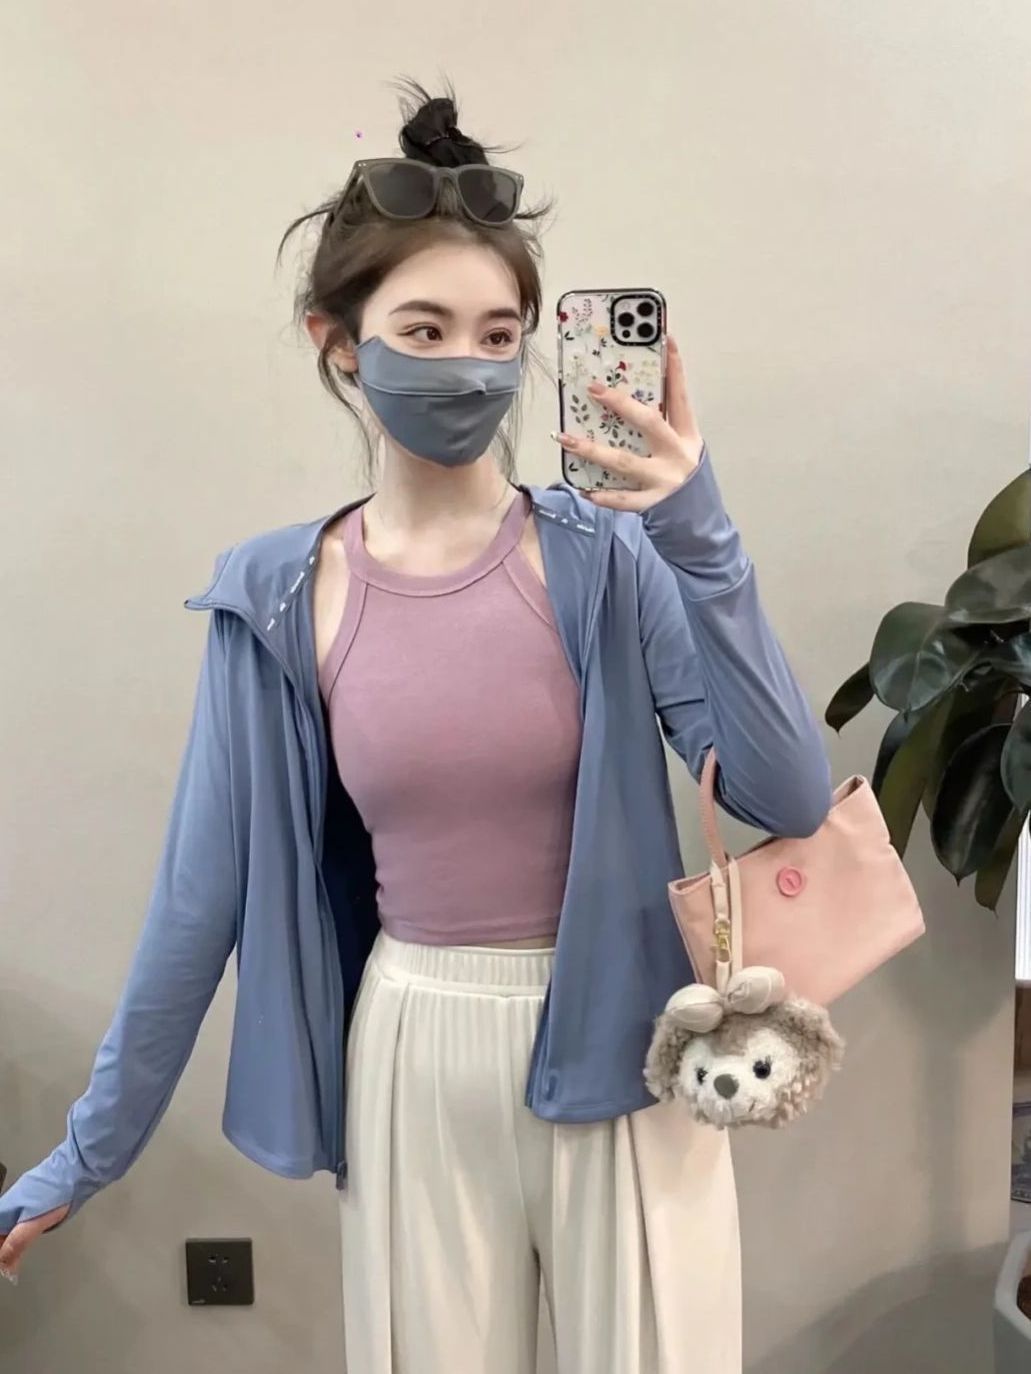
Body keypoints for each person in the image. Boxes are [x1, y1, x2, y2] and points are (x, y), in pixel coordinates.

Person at [0, 84, 832, 1373]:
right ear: (340, 343)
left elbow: (786, 793)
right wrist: (84, 1154)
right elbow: (196, 903)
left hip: (627, 1040)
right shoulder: (279, 596)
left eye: (498, 334)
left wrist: (700, 537)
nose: (468, 366)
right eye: (424, 330)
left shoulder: (613, 558)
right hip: (411, 1044)